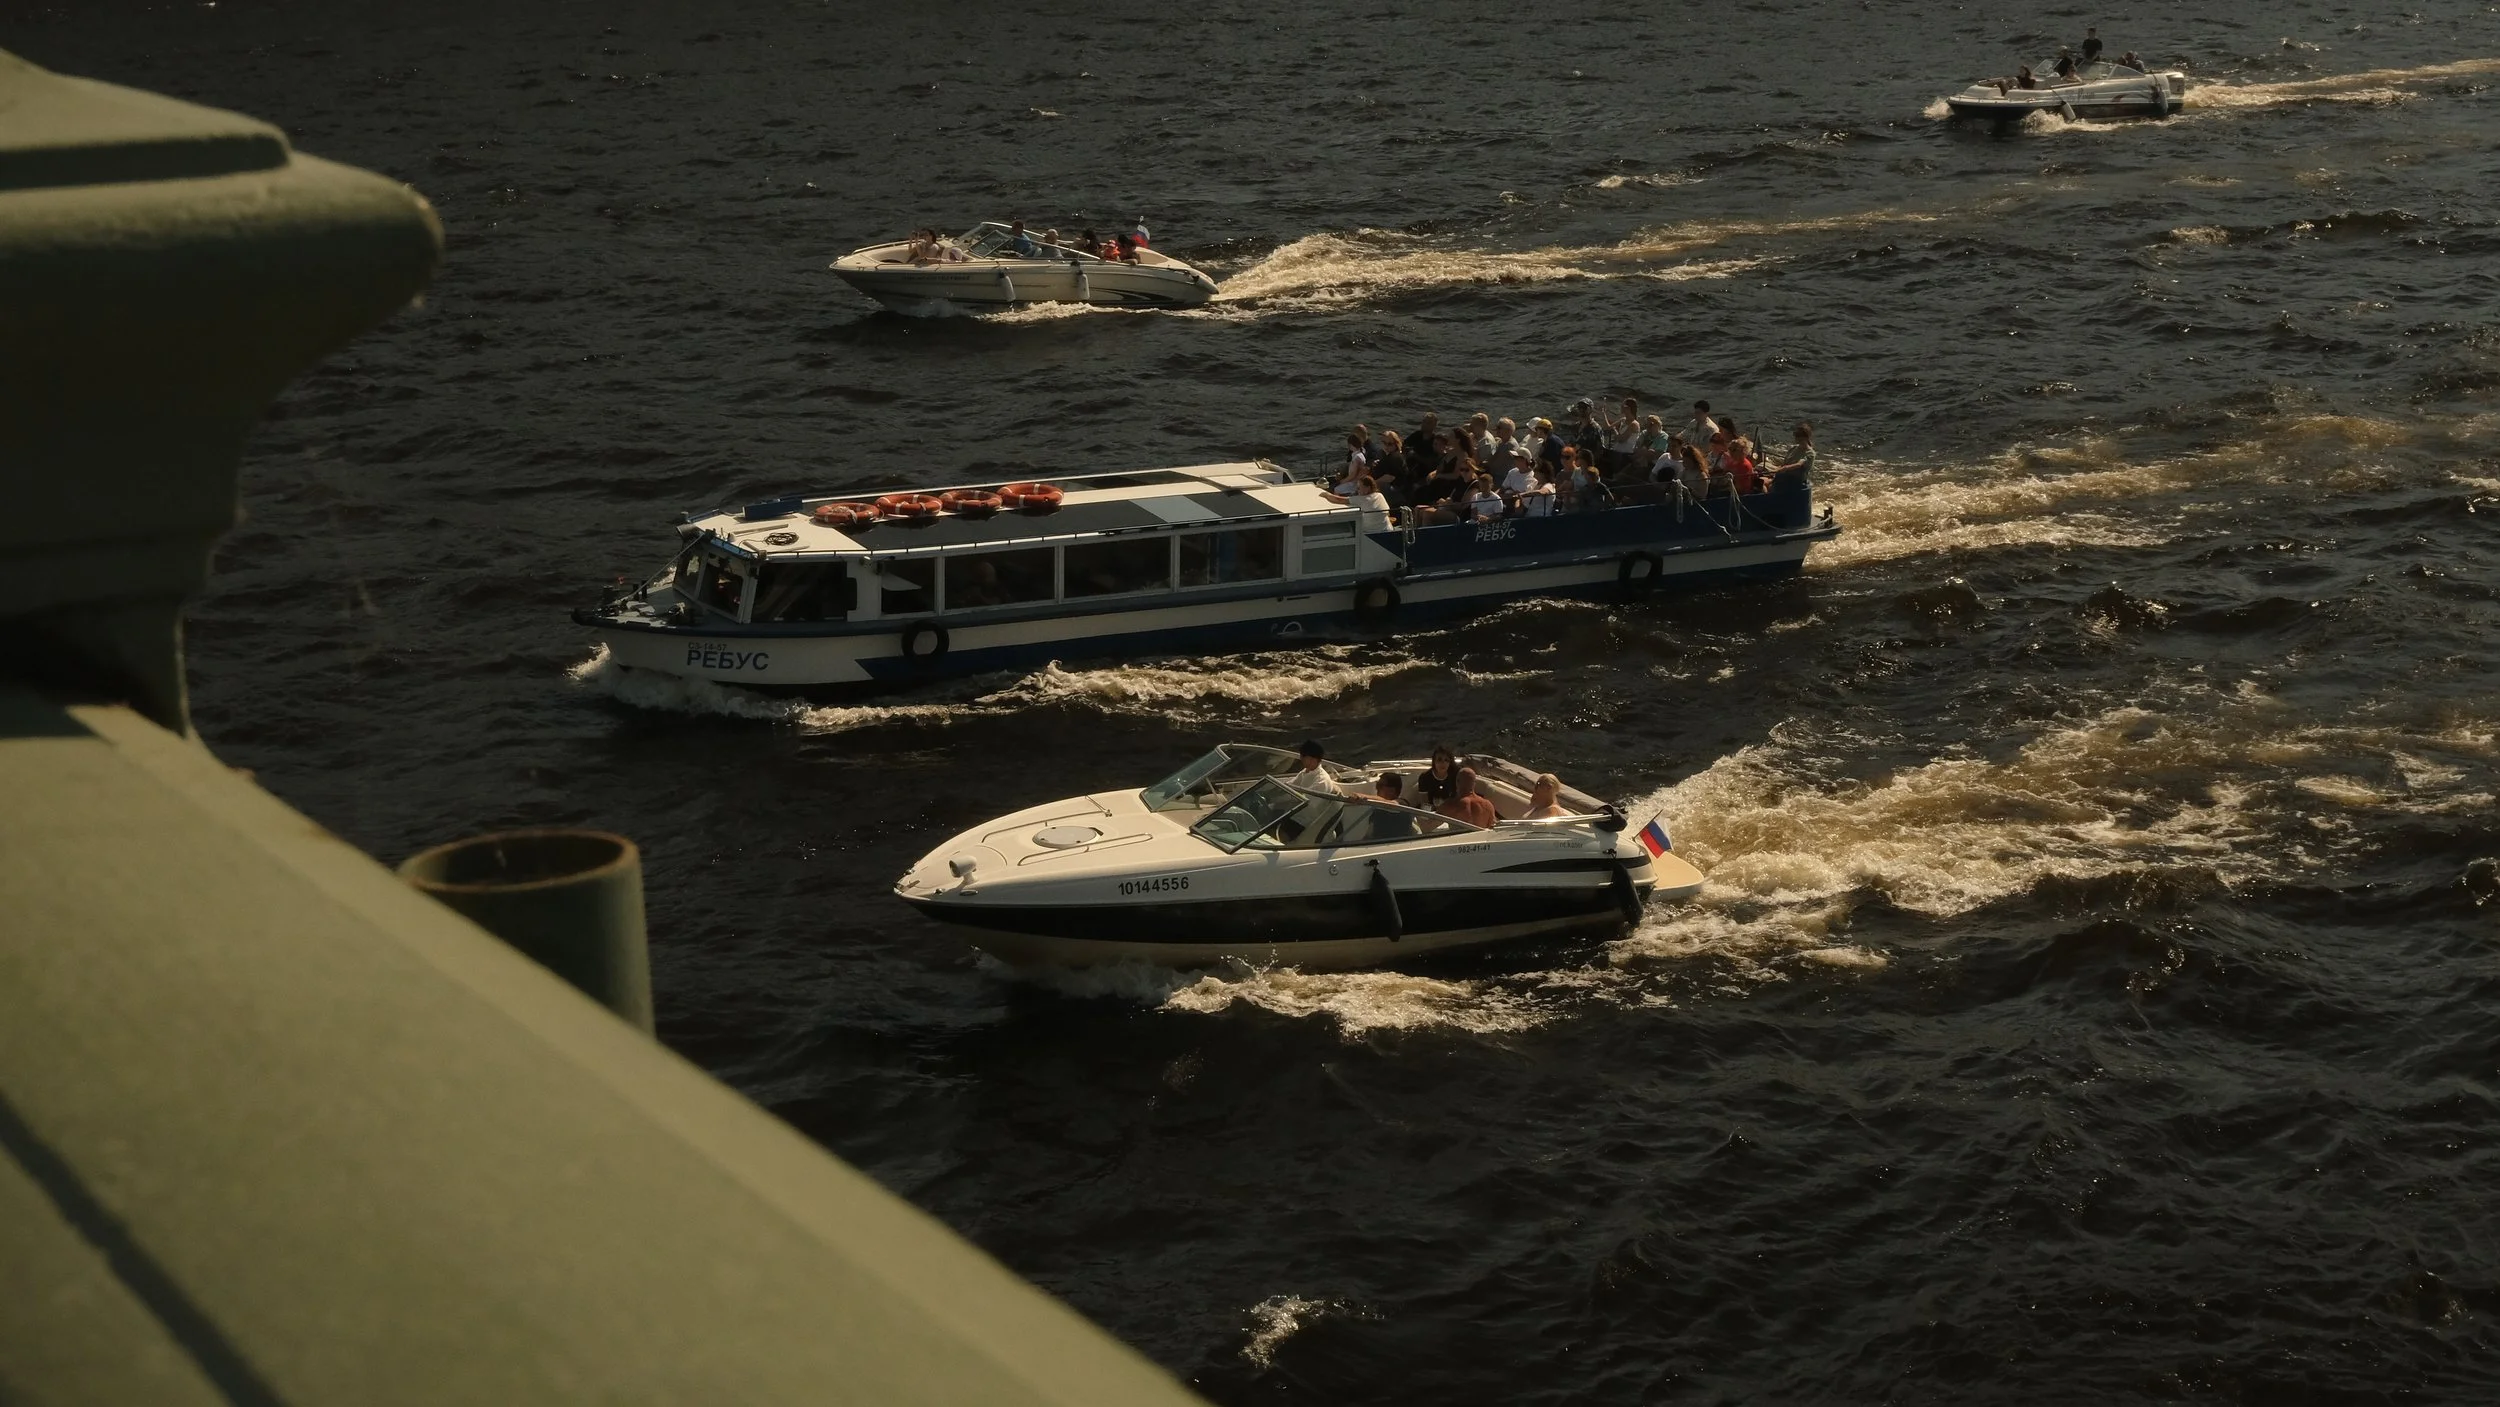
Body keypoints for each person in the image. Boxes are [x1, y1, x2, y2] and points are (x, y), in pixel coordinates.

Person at [1368, 773, 1418, 839]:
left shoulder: (1402, 804)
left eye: (1380, 785)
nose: (1376, 789)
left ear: (1392, 790)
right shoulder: (1378, 809)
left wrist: (1364, 797)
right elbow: (1370, 833)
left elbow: (1392, 804)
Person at [1415, 745, 1460, 809]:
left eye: (1446, 760)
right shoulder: (1425, 777)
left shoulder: (1456, 776)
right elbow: (1424, 803)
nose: (1443, 763)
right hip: (1431, 813)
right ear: (1434, 761)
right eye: (1439, 760)